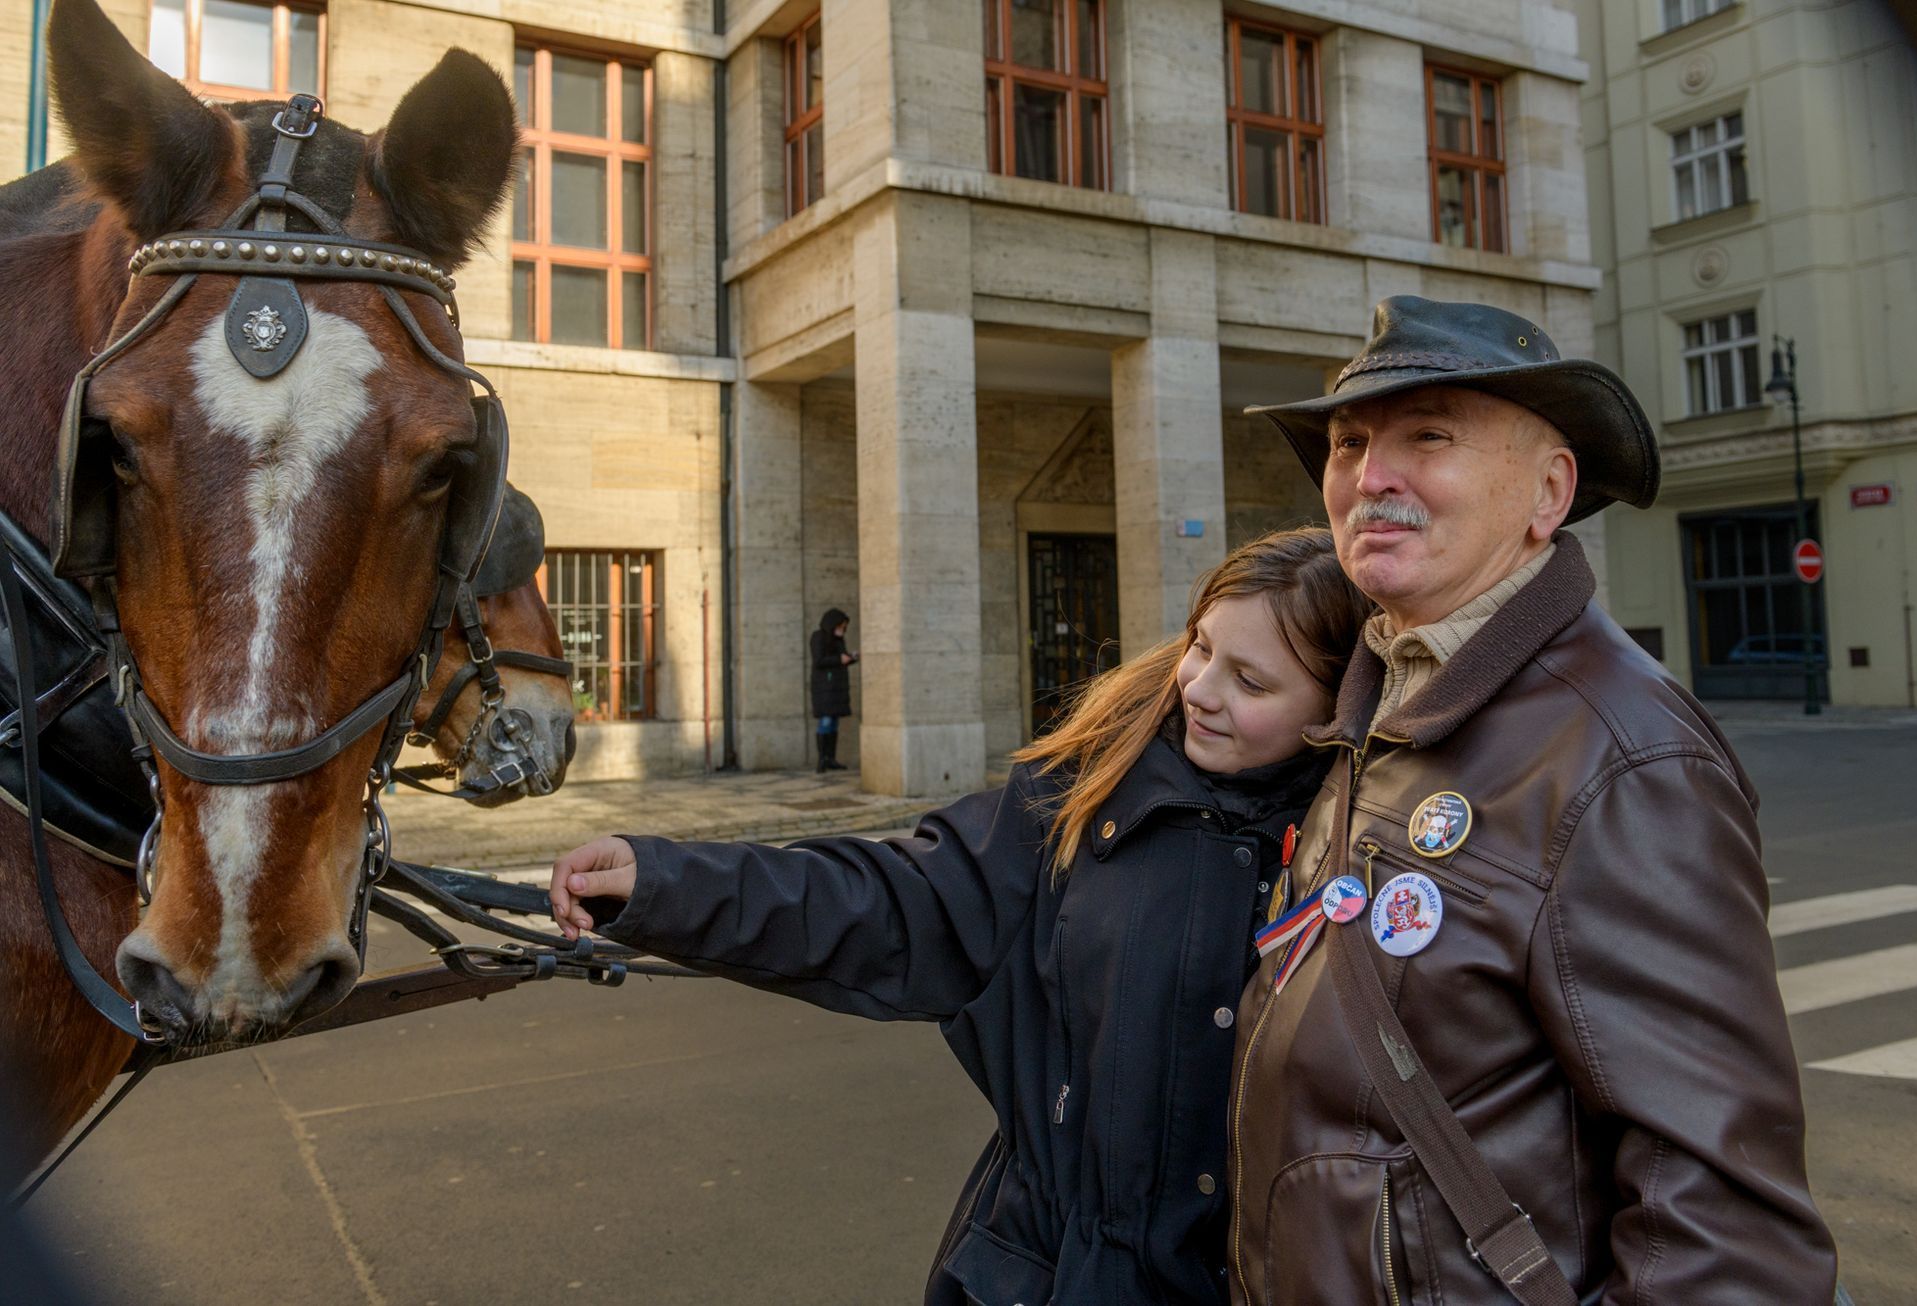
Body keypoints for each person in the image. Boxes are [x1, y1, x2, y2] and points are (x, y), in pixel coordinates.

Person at [551, 528, 1372, 1303]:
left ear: (1334, 707)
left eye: (1252, 681)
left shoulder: (1371, 850)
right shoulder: (1081, 796)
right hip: (1055, 1279)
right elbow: (890, 899)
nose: (1199, 689)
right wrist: (666, 883)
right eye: (1199, 646)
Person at [1226, 297, 1838, 1302]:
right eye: (1347, 441)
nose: (1370, 476)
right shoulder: (1389, 691)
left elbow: (1727, 1232)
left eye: (1429, 436)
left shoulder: (1622, 756)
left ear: (1547, 491)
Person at [809, 607, 854, 772]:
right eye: (840, 626)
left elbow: (840, 659)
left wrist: (851, 658)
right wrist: (838, 659)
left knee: (834, 722)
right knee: (826, 721)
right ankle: (822, 759)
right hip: (824, 687)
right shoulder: (818, 637)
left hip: (837, 687)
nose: (842, 630)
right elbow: (819, 661)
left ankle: (831, 758)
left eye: (844, 627)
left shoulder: (839, 640)